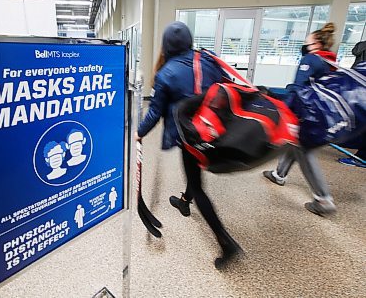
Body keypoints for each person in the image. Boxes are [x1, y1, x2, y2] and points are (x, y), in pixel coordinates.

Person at [135, 21, 242, 269]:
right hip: (216, 129)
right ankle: (184, 200)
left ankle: (226, 243)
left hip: (192, 136)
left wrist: (139, 134)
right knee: (194, 170)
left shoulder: (165, 73)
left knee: (198, 184)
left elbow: (154, 114)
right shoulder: (208, 59)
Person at [263, 22, 338, 216]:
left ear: (316, 44)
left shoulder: (311, 60)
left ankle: (324, 200)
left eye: (307, 41)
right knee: (294, 142)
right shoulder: (330, 62)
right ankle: (279, 174)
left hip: (308, 113)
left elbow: (298, 88)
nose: (304, 45)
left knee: (304, 150)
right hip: (323, 112)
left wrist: (282, 107)